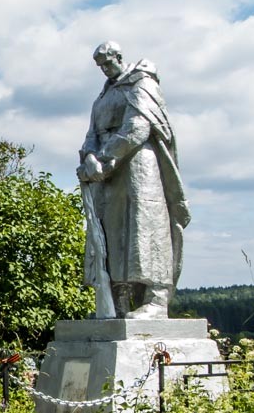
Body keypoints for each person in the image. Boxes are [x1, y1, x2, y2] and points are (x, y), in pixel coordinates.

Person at [76, 42, 190, 318]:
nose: (105, 69)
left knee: (144, 225)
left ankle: (156, 299)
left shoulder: (142, 84)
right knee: (111, 231)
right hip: (108, 173)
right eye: (100, 66)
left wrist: (104, 158)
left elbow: (137, 126)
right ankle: (118, 300)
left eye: (108, 62)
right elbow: (92, 134)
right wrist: (89, 158)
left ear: (119, 57)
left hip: (138, 163)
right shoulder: (102, 98)